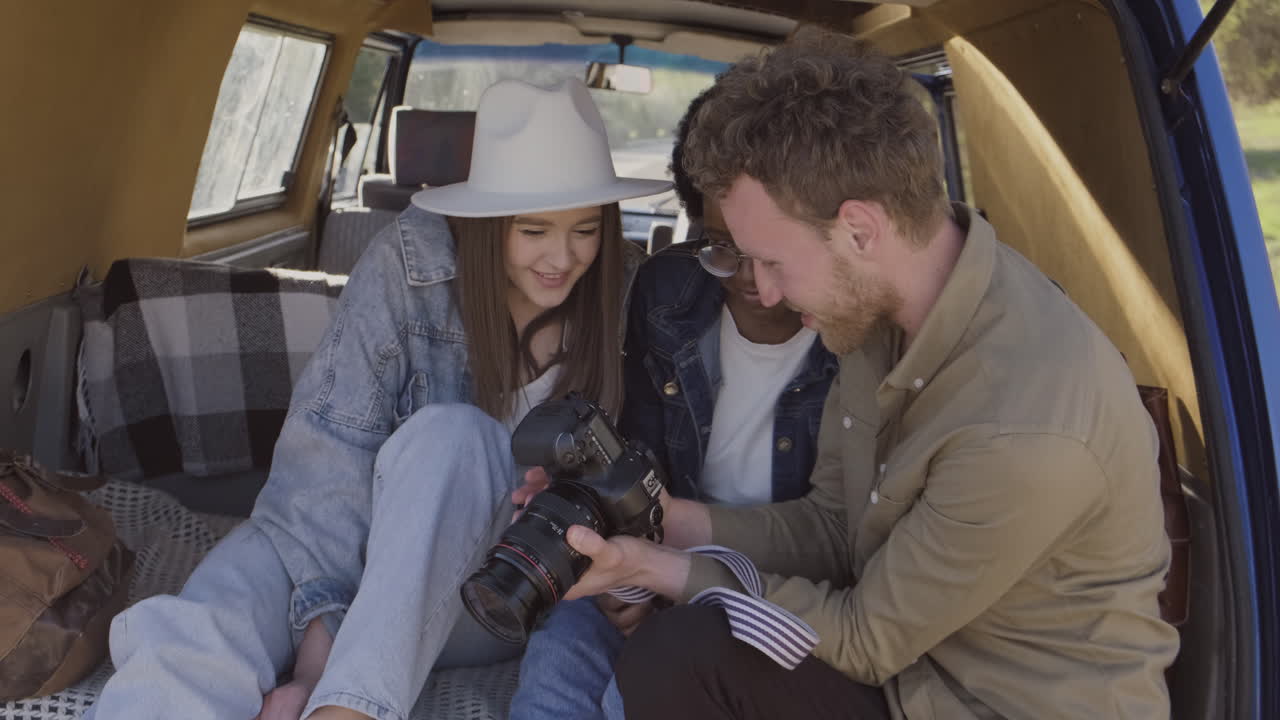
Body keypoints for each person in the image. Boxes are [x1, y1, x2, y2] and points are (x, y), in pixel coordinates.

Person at [548, 31, 1180, 720]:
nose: (762, 291)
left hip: (987, 703)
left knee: (679, 650)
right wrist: (663, 522)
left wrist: (656, 569)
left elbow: (864, 639)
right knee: (678, 652)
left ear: (859, 230)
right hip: (906, 676)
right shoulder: (881, 313)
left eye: (772, 261)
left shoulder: (1022, 427)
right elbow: (832, 529)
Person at [83, 77, 669, 720]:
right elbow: (325, 463)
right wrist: (320, 650)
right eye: (534, 230)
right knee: (207, 616)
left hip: (480, 588)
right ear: (487, 221)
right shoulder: (411, 263)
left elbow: (645, 487)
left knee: (454, 437)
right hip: (339, 545)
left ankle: (349, 712)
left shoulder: (629, 294)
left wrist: (631, 587)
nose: (563, 257)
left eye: (585, 229)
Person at [507, 87, 838, 720]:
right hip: (658, 551)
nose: (749, 277)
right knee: (561, 649)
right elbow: (640, 456)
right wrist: (628, 573)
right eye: (723, 245)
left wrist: (668, 581)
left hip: (777, 589)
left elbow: (837, 541)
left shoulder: (855, 332)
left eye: (772, 247)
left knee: (637, 687)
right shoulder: (667, 293)